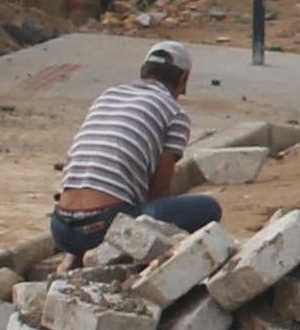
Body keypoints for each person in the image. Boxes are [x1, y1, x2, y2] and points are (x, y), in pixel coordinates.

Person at [50, 41, 224, 259]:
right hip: (104, 226)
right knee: (207, 208)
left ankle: (73, 256)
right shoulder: (174, 113)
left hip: (60, 228)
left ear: (143, 71)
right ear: (183, 78)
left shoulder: (107, 96)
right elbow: (158, 194)